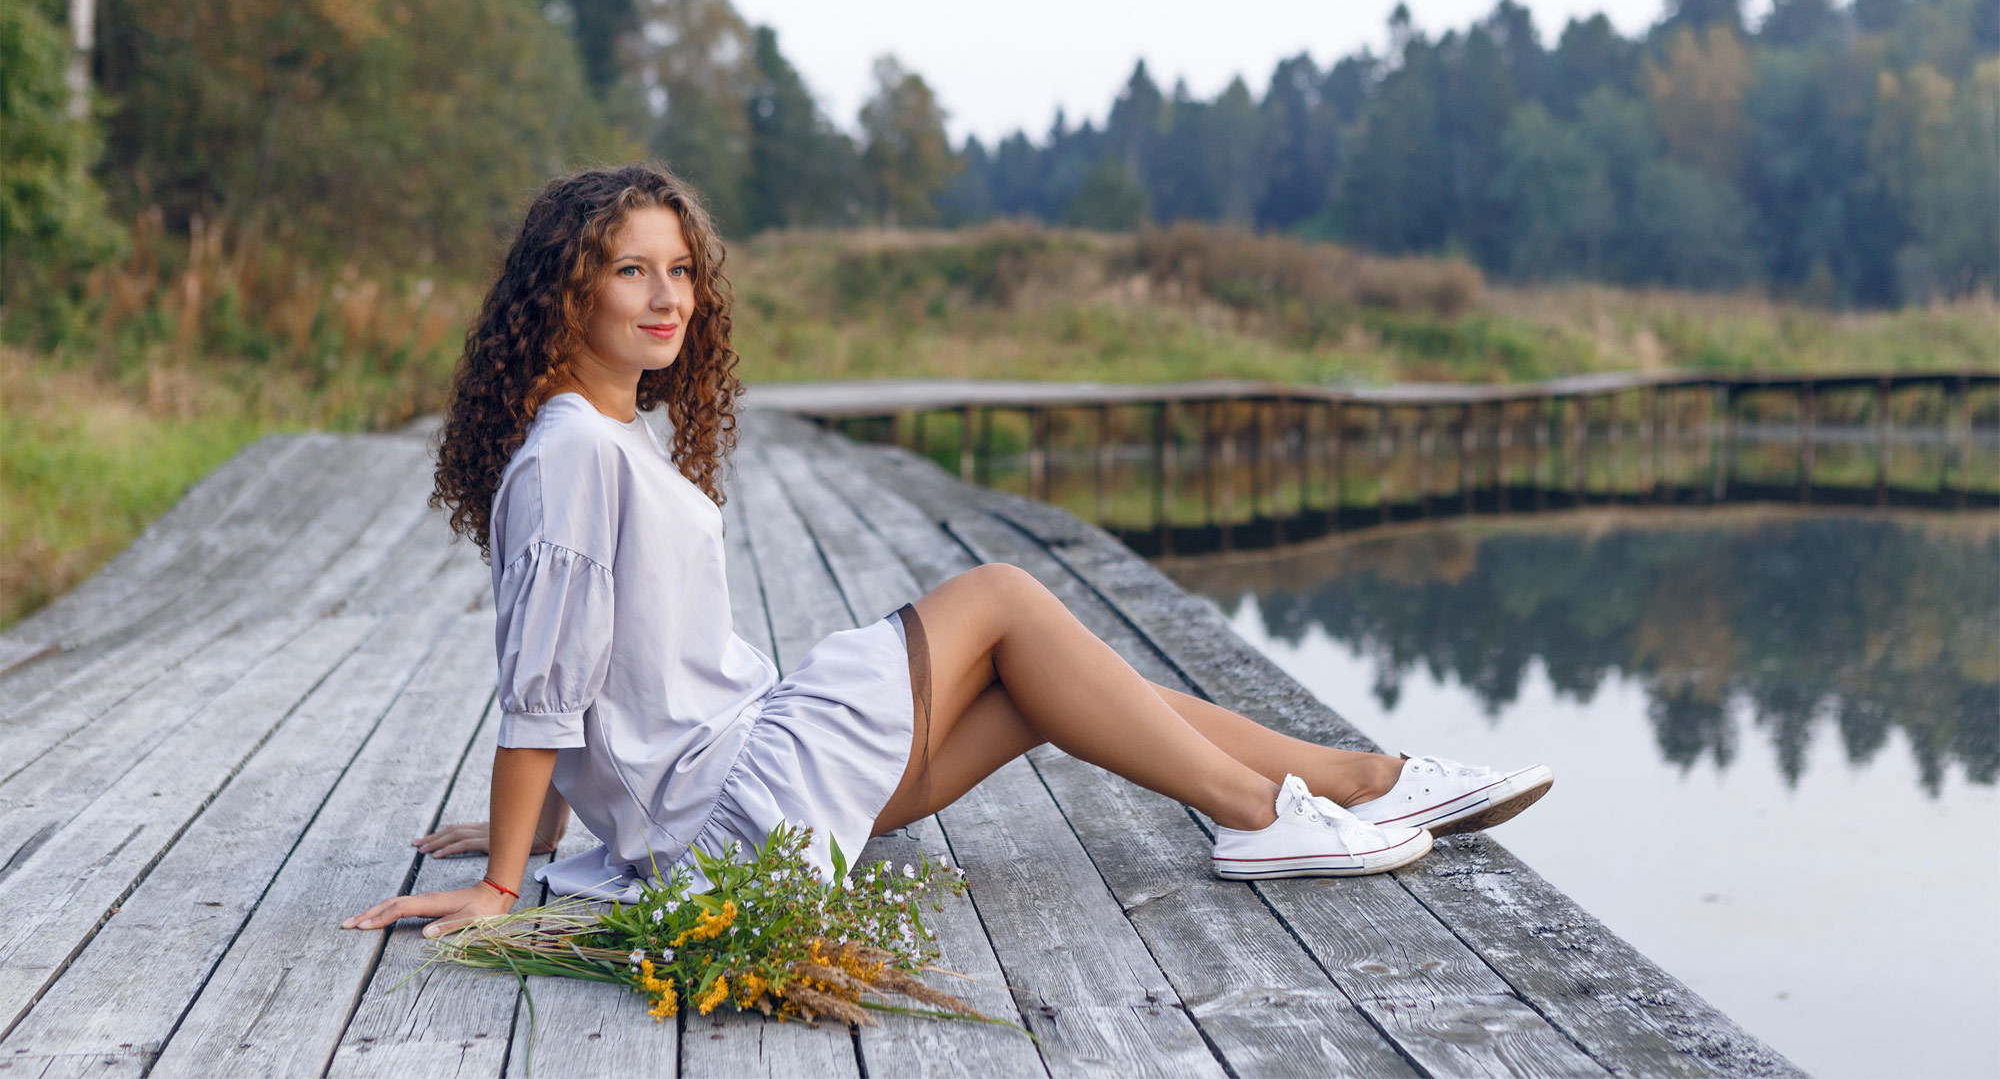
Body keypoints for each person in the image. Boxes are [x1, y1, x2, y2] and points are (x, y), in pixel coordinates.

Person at [341, 165, 1552, 939]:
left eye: (681, 271)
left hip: (740, 792)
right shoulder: (571, 454)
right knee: (1004, 595)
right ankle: (1257, 811)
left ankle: (1358, 780)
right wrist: (502, 881)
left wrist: (550, 831)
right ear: (566, 291)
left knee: (1047, 683)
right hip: (727, 804)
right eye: (630, 271)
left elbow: (600, 675)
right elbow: (546, 683)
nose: (668, 298)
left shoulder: (612, 433)